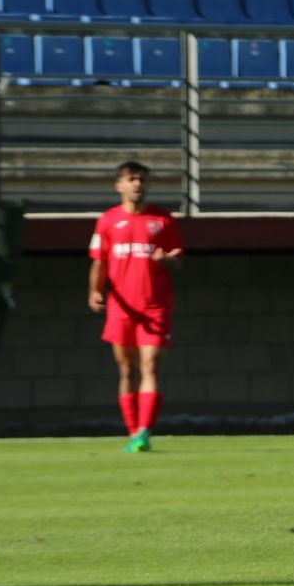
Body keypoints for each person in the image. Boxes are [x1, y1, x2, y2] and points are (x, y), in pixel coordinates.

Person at [88, 161, 184, 454]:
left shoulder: (163, 220)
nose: (137, 184)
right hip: (121, 308)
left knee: (150, 365)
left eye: (142, 179)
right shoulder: (107, 221)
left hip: (155, 307)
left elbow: (177, 261)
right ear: (119, 185)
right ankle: (133, 431)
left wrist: (166, 260)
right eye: (131, 179)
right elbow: (100, 261)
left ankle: (145, 431)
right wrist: (94, 291)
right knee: (127, 369)